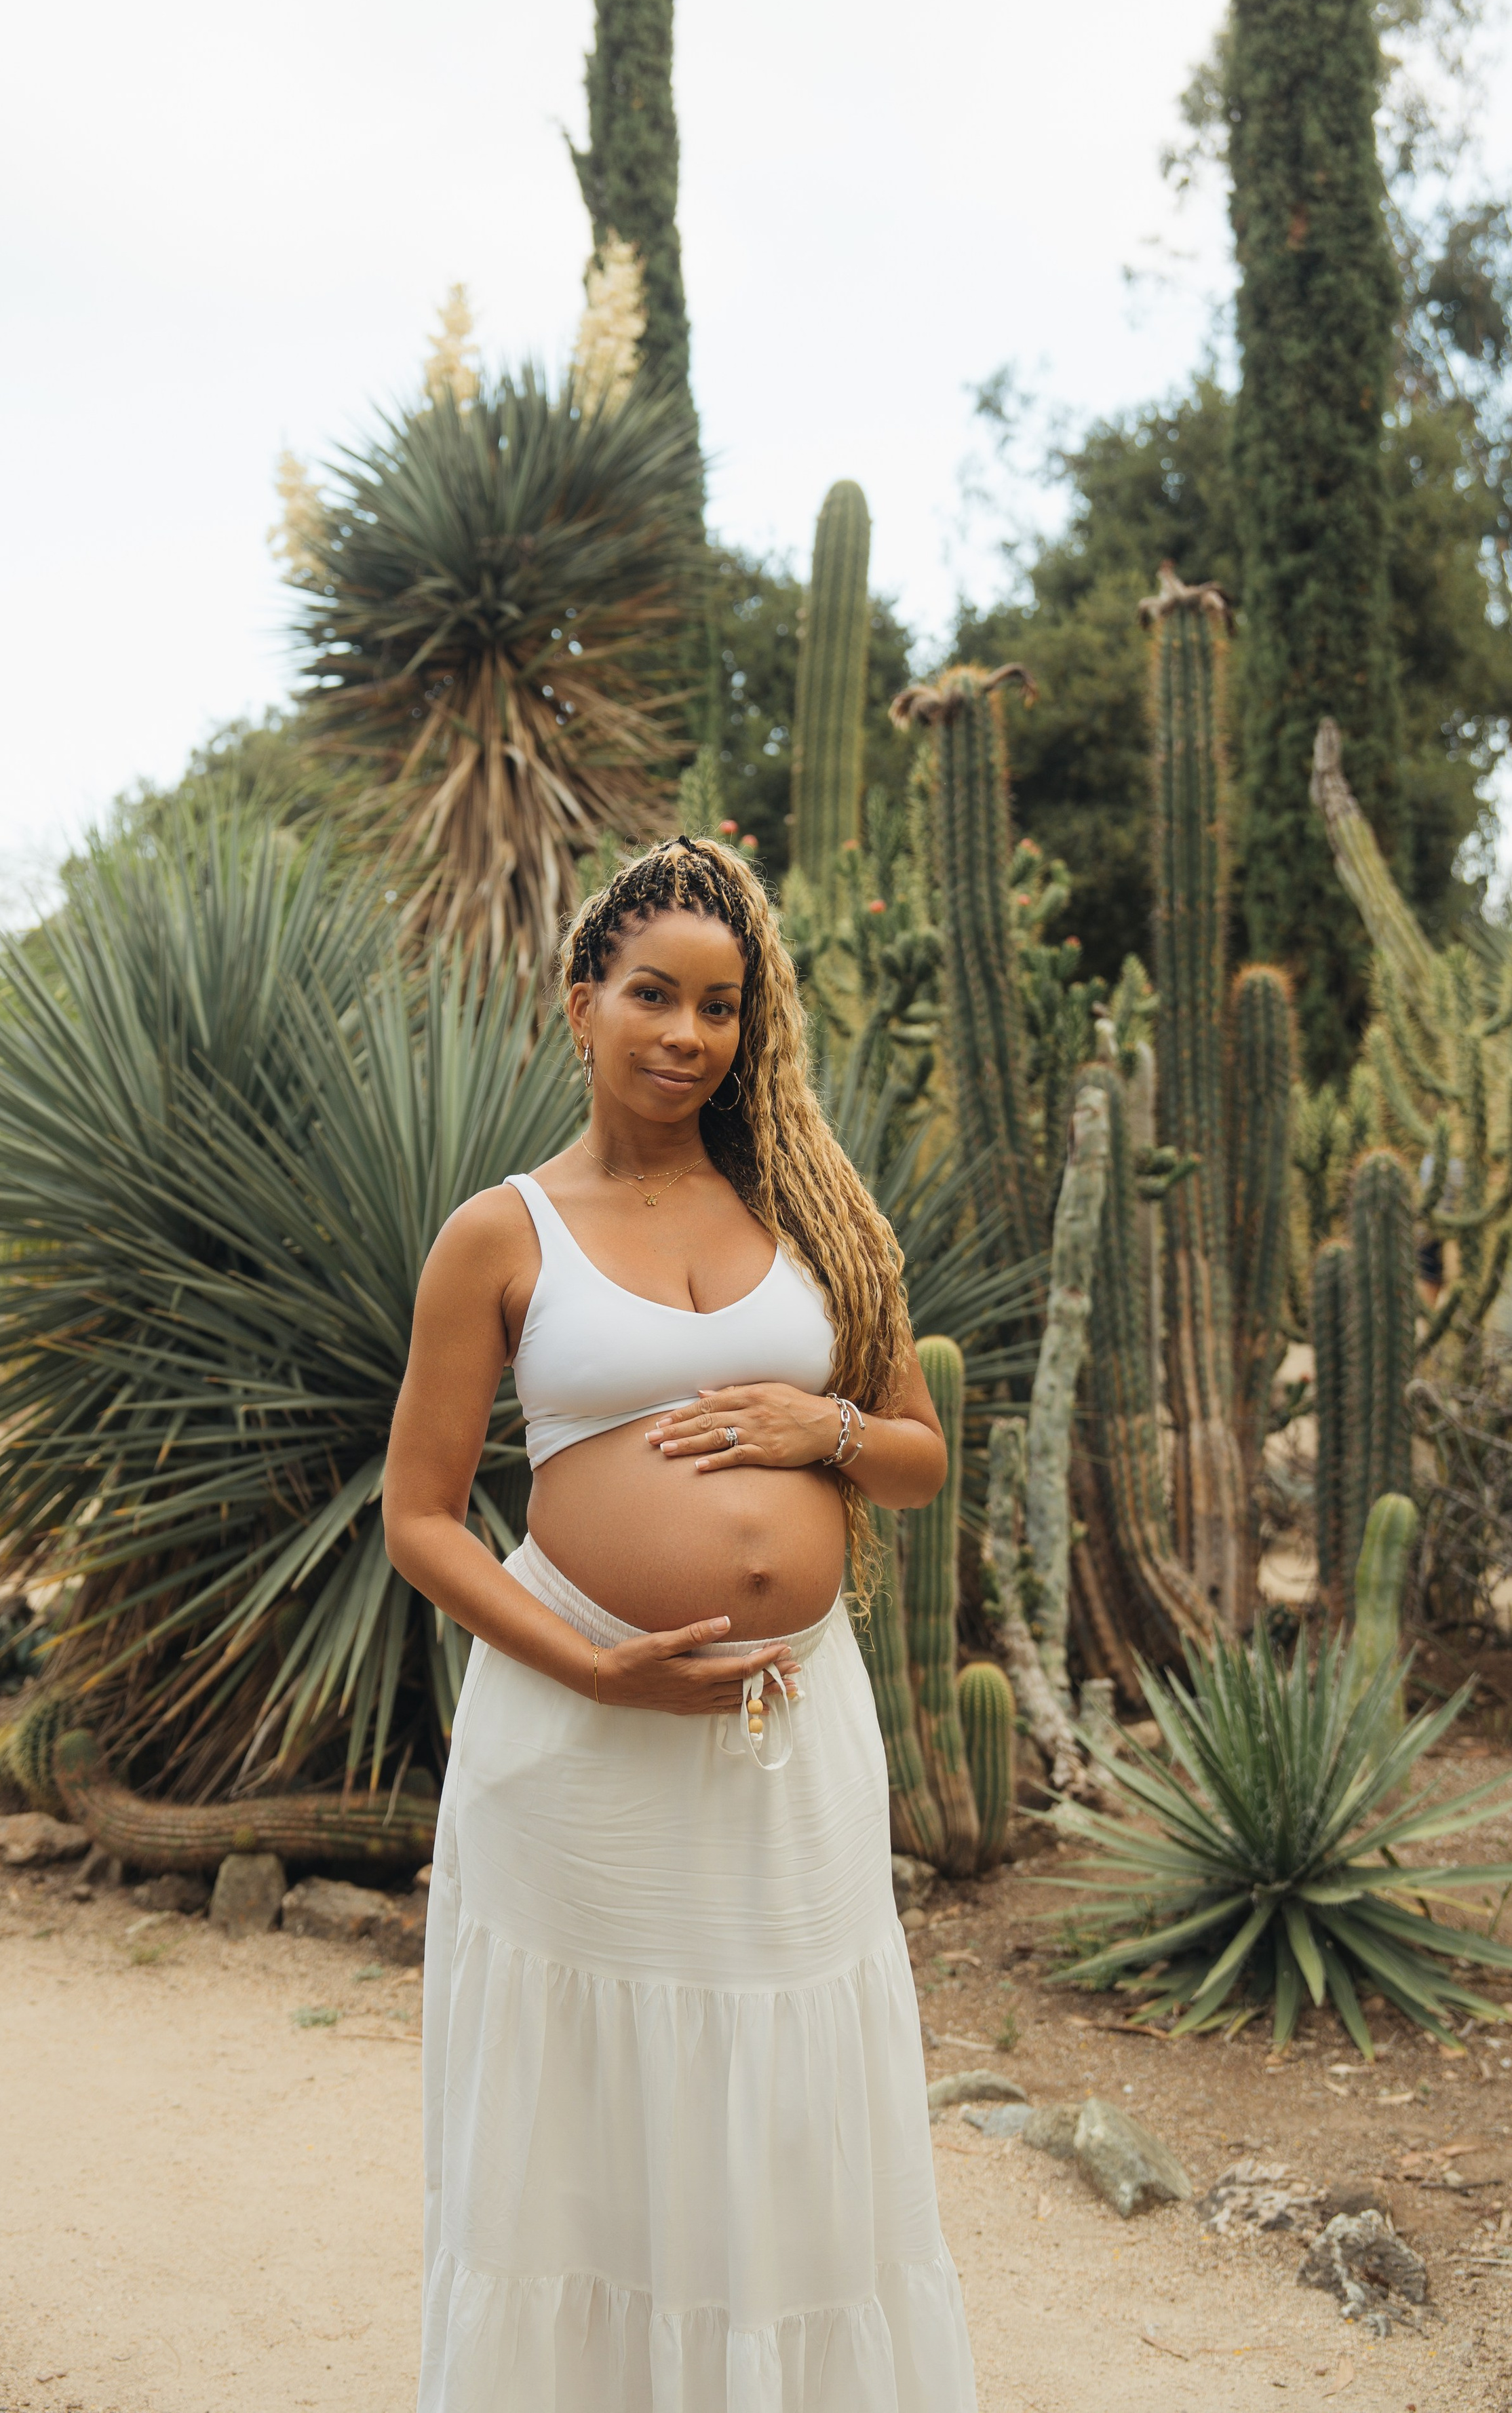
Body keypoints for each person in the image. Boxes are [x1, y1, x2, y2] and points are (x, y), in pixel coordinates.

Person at [386, 836, 976, 2412]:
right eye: (651, 996)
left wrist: (822, 1431)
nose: (684, 1036)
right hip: (581, 1750)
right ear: (579, 1004)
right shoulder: (498, 1234)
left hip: (792, 1750)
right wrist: (596, 1668)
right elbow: (420, 1516)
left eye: (720, 1007)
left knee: (789, 2102)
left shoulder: (816, 1214)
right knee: (591, 2119)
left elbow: (915, 1457)